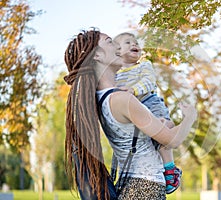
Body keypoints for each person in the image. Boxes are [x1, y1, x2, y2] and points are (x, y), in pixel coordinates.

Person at [63, 28, 197, 200]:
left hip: (129, 187)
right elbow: (172, 140)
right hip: (146, 189)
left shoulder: (100, 100)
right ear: (97, 55)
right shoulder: (122, 100)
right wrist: (190, 118)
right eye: (110, 41)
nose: (118, 47)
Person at [113, 32, 181, 194]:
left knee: (164, 129)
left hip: (149, 102)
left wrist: (133, 90)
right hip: (131, 110)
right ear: (117, 51)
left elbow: (149, 82)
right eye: (128, 42)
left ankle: (170, 169)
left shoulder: (144, 65)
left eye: (135, 42)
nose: (134, 44)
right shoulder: (114, 72)